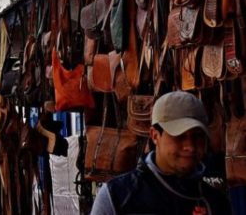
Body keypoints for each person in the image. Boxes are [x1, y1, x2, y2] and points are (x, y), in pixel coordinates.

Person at [90, 91, 231, 215]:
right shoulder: (118, 195)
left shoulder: (214, 201)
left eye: (197, 136)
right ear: (155, 135)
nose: (190, 146)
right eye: (179, 136)